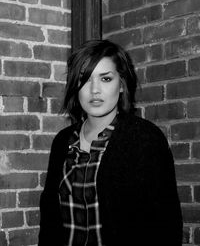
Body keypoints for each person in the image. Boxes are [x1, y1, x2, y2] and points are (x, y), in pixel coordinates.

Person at [38, 39, 183, 246]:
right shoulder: (63, 141)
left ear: (121, 84)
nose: (94, 90)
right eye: (85, 79)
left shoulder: (145, 139)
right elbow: (50, 223)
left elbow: (166, 226)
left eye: (105, 79)